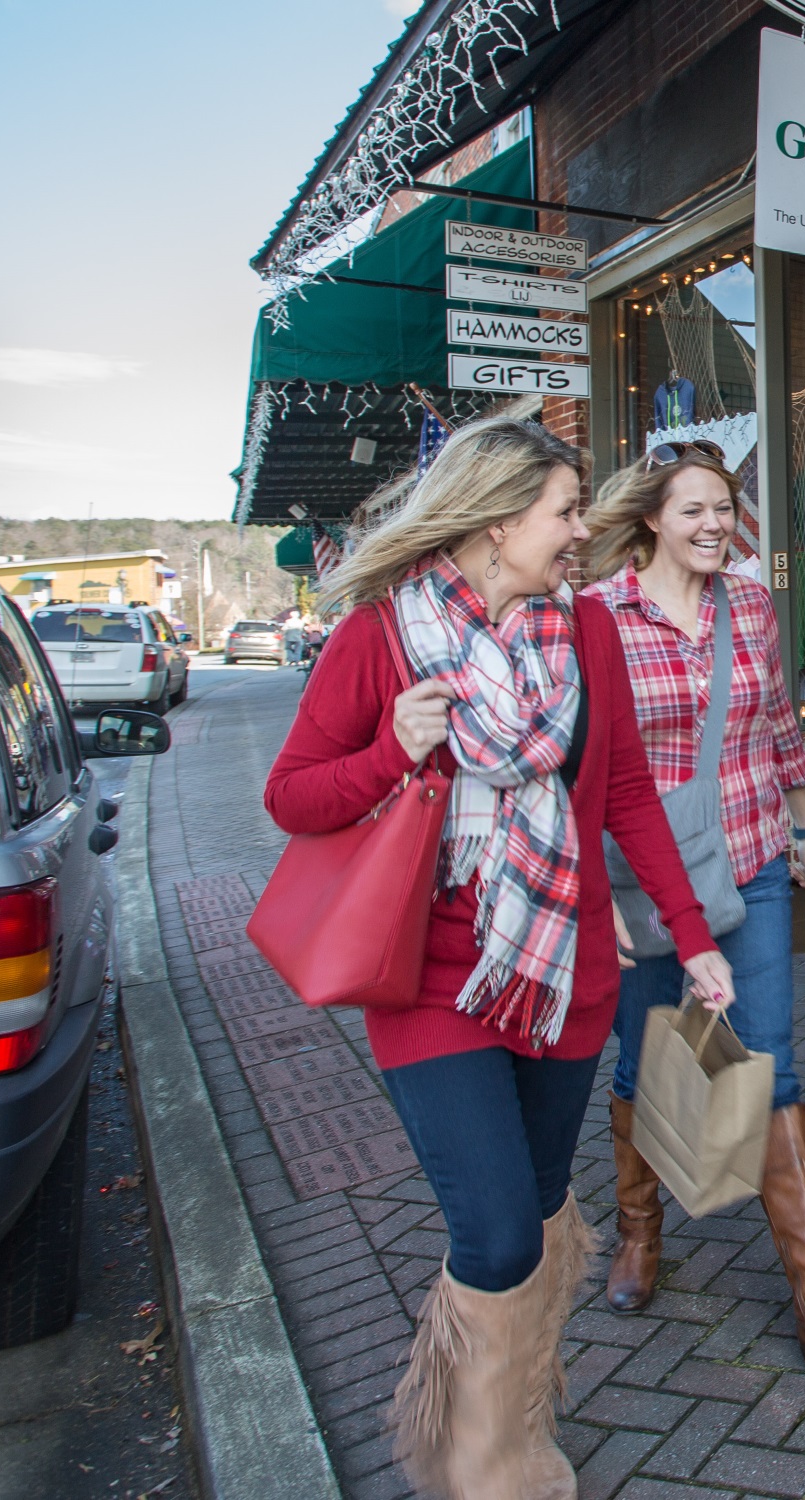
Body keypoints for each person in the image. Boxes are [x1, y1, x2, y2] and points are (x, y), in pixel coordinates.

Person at [265, 417, 734, 1500]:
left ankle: (511, 1427)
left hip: (564, 972)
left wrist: (694, 936)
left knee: (532, 1214)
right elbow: (291, 795)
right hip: (429, 977)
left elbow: (622, 797)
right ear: (496, 519)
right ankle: (478, 1467)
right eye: (567, 511)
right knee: (493, 1229)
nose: (583, 530)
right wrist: (396, 747)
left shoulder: (590, 635)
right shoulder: (379, 637)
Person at [580, 439, 805, 1371]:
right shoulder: (597, 617)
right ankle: (641, 1231)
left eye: (724, 508)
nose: (715, 525)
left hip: (748, 857)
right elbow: (582, 763)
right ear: (649, 522)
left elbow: (778, 721)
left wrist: (803, 826)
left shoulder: (749, 604)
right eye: (693, 510)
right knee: (648, 1052)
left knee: (772, 1064)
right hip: (642, 877)